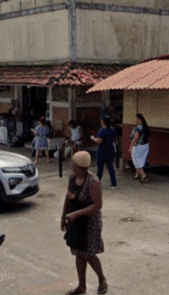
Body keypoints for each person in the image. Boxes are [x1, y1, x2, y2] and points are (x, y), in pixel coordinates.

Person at [61, 151, 107, 295]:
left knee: (89, 254)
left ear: (80, 166)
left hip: (90, 222)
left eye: (73, 163)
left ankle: (102, 279)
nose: (71, 165)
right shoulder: (73, 178)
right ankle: (82, 286)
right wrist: (63, 216)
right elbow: (67, 198)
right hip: (75, 222)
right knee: (78, 253)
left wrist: (76, 214)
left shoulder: (93, 181)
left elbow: (97, 205)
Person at [91, 117, 118, 189]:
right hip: (110, 149)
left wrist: (93, 138)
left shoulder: (102, 130)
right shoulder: (113, 130)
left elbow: (99, 141)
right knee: (110, 167)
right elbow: (115, 140)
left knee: (100, 168)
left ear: (103, 122)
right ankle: (114, 183)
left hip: (102, 150)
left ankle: (97, 182)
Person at [130, 114, 150, 184]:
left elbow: (135, 137)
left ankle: (143, 175)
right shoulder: (145, 127)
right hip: (145, 145)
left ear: (140, 119)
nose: (135, 120)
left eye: (136, 119)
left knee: (136, 160)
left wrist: (130, 146)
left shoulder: (138, 128)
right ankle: (137, 174)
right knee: (141, 159)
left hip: (138, 145)